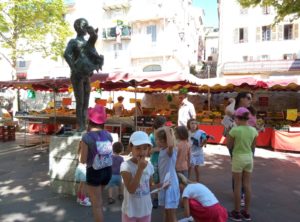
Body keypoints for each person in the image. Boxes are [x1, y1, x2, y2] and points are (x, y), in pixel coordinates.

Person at [64, 18, 104, 132]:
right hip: (77, 75)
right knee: (80, 101)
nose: (86, 27)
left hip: (86, 76)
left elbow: (93, 54)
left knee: (86, 101)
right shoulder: (73, 42)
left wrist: (93, 36)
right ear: (78, 27)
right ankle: (80, 125)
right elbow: (66, 55)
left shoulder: (87, 43)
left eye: (87, 25)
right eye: (84, 25)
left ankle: (84, 124)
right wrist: (74, 68)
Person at [79, 105, 113, 222]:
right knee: (99, 201)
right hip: (108, 171)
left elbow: (83, 160)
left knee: (96, 205)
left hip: (94, 172)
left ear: (90, 121)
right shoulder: (108, 135)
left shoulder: (86, 137)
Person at [227, 107, 258, 221]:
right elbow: (253, 147)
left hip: (238, 158)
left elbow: (229, 146)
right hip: (249, 158)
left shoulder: (235, 130)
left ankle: (236, 212)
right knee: (247, 185)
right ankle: (246, 212)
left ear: (237, 118)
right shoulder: (253, 130)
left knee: (238, 185)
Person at [120, 131, 155, 222]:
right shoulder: (125, 166)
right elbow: (131, 190)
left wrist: (162, 185)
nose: (141, 152)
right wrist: (140, 169)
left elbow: (150, 187)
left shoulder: (150, 165)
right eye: (138, 148)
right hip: (130, 211)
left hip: (145, 210)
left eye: (144, 148)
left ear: (148, 149)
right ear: (131, 148)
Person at [156, 126, 180, 222]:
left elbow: (170, 145)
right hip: (164, 184)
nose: (156, 141)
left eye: (158, 140)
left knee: (171, 214)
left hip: (170, 185)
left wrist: (167, 130)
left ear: (164, 141)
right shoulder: (162, 150)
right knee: (166, 212)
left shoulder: (170, 151)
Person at [149, 115, 167, 209]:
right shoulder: (152, 136)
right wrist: (159, 148)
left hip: (164, 161)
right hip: (155, 161)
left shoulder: (166, 135)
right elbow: (149, 151)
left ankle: (162, 197)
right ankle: (155, 198)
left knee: (163, 179)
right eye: (164, 125)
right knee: (155, 180)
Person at [74, 141, 91, 207]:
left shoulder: (80, 150)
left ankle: (79, 198)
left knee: (81, 184)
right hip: (84, 169)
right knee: (84, 186)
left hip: (79, 168)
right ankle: (83, 200)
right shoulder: (85, 152)